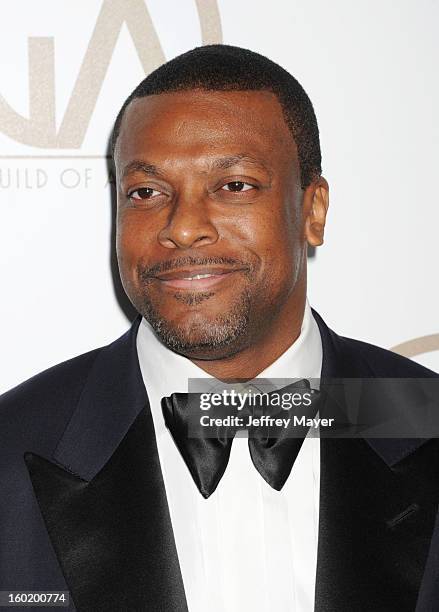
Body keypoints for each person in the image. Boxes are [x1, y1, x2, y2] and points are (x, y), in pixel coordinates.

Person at [0, 44, 438, 612]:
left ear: (313, 210)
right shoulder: (14, 448)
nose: (182, 229)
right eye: (146, 193)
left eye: (234, 185)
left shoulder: (424, 422)